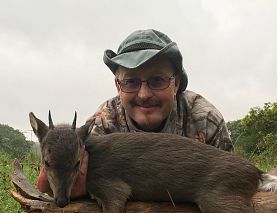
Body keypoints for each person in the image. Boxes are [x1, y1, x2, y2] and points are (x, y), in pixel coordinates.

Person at [36, 29, 233, 197]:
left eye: (157, 80)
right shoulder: (102, 125)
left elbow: (229, 183)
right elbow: (56, 182)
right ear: (118, 86)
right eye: (131, 82)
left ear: (176, 83)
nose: (144, 94)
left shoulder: (205, 120)